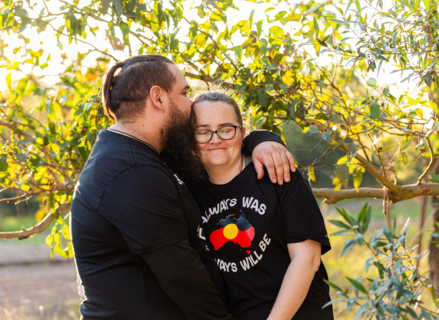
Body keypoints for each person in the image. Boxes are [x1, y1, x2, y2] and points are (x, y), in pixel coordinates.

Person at [70, 55, 295, 320]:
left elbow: (218, 144)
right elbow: (182, 275)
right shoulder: (131, 172)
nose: (191, 105)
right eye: (185, 93)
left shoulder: (144, 156)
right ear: (159, 97)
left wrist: (261, 140)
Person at [189, 91, 334, 320]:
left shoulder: (278, 172)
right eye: (202, 131)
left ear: (242, 132)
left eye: (226, 129)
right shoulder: (187, 190)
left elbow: (307, 259)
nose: (215, 139)